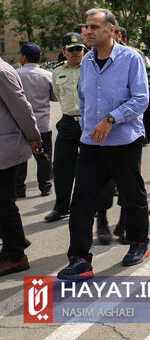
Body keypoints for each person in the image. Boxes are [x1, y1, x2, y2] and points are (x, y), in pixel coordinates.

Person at [58, 8, 150, 280]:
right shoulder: (86, 62)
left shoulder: (130, 58)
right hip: (91, 144)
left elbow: (141, 99)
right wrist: (88, 128)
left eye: (94, 27)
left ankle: (138, 243)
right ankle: (79, 259)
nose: (88, 31)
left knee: (132, 195)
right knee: (82, 199)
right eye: (87, 26)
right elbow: (84, 99)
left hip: (123, 141)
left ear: (111, 30)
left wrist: (111, 119)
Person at [0, 55, 42, 276]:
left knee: (4, 203)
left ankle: (16, 254)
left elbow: (22, 109)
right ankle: (14, 239)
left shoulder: (2, 72)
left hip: (4, 149)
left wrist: (33, 136)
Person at [45, 33, 86, 223]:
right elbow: (58, 94)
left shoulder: (91, 68)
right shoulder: (57, 71)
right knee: (61, 165)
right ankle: (61, 207)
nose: (75, 53)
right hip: (68, 122)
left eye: (79, 49)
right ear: (64, 52)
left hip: (88, 123)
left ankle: (91, 205)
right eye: (71, 50)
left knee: (90, 166)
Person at [15, 42, 56, 197]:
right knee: (43, 157)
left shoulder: (15, 74)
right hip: (42, 125)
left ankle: (19, 189)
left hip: (20, 126)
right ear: (39, 58)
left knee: (20, 157)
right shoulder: (47, 75)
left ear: (24, 57)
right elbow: (54, 97)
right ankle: (45, 187)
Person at [115, 26, 150, 146]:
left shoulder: (136, 55)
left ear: (119, 36)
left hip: (132, 109)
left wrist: (141, 90)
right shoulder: (91, 58)